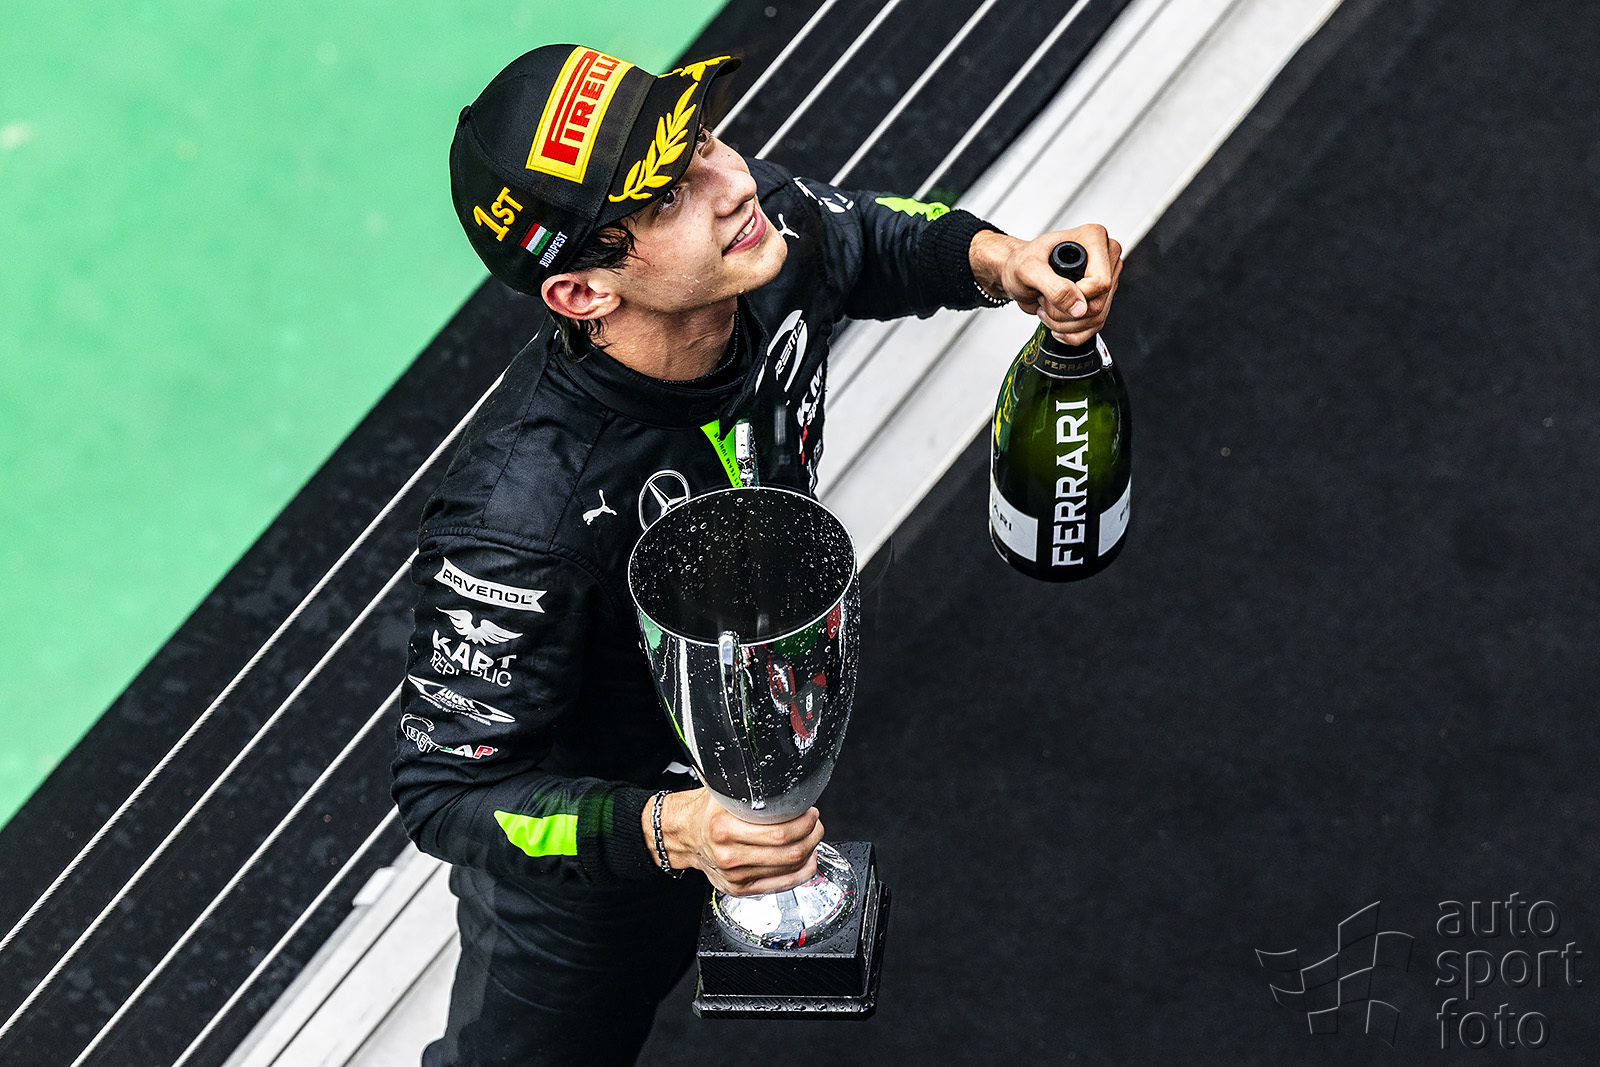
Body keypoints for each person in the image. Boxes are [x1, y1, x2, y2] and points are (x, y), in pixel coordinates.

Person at [391, 43, 1121, 1067]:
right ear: (581, 294)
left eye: (700, 140)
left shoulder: (760, 235)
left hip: (755, 745)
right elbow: (447, 791)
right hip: (594, 890)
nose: (733, 181)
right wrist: (673, 831)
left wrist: (1003, 262)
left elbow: (860, 240)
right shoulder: (521, 520)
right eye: (667, 197)